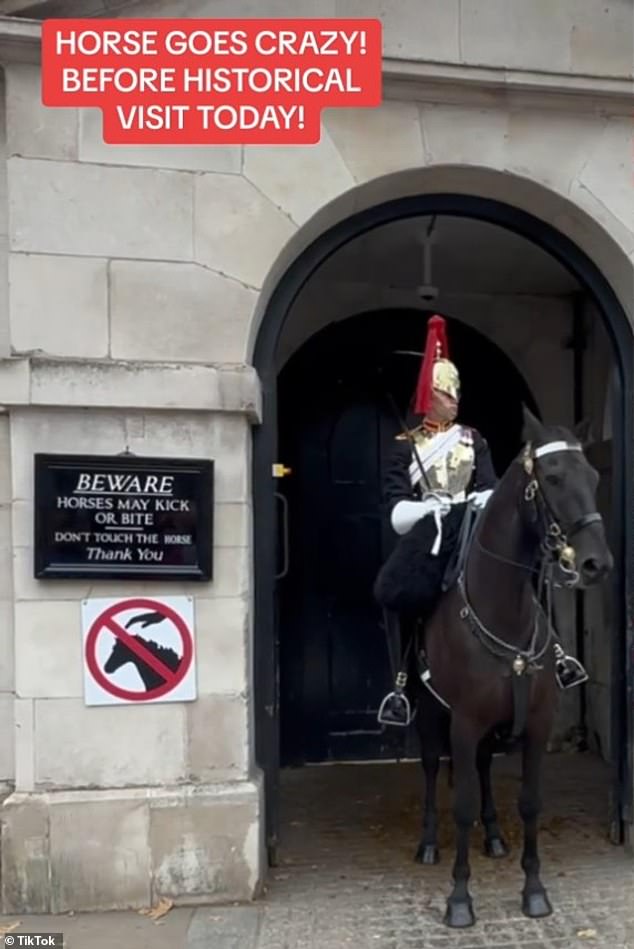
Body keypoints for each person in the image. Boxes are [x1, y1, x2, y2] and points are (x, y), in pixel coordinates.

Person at [374, 315, 587, 727]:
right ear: (427, 395)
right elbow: (397, 510)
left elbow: (489, 488)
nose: (454, 400)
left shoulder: (474, 439)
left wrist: (470, 502)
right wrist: (432, 509)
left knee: (529, 570)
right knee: (394, 590)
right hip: (430, 534)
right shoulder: (405, 447)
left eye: (455, 393)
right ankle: (401, 684)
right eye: (445, 392)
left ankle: (558, 655)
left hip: (472, 524)